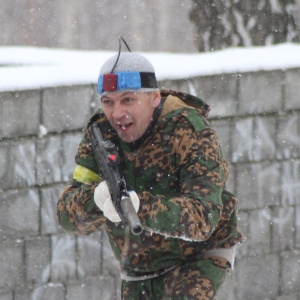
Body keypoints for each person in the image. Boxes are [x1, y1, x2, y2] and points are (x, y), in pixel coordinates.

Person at [57, 39, 245, 300]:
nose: (117, 112)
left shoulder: (189, 130)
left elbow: (203, 220)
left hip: (198, 255)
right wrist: (95, 200)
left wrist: (139, 207)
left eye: (128, 99)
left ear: (154, 98)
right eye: (108, 102)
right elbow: (66, 215)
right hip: (138, 266)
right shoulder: (99, 134)